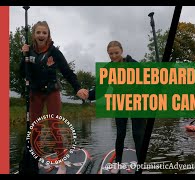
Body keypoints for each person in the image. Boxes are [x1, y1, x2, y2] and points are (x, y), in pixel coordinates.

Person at [20, 21, 88, 174]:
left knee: (54, 127)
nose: (41, 35)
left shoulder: (54, 52)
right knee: (35, 129)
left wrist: (77, 88)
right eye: (38, 32)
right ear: (34, 34)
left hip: (52, 92)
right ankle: (34, 163)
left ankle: (62, 164)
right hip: (35, 93)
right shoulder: (28, 51)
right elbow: (21, 72)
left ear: (48, 34)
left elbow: (67, 71)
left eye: (44, 32)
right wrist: (22, 55)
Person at [87, 41, 146, 174]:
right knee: (120, 133)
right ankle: (118, 163)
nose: (113, 56)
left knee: (138, 134)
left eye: (116, 53)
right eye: (110, 54)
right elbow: (100, 90)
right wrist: (88, 95)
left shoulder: (134, 64)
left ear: (121, 51)